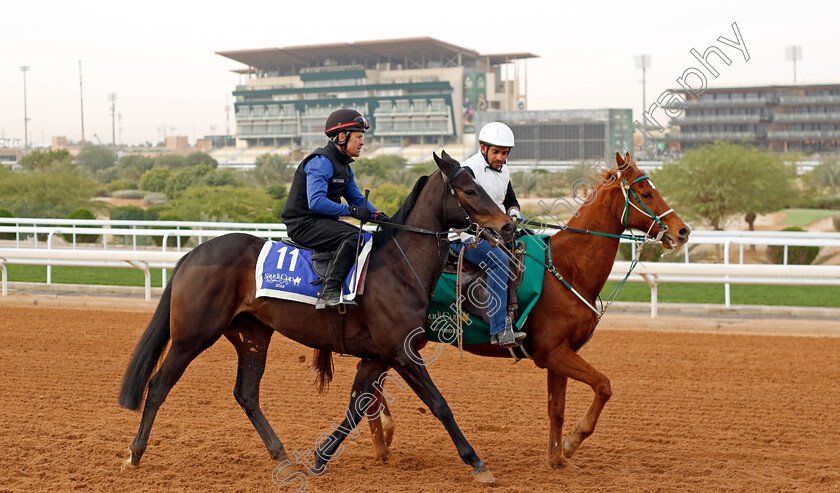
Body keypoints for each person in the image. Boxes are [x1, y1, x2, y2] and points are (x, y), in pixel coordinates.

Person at [281, 109, 388, 309]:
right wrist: (352, 212)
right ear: (341, 137)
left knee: (367, 237)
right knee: (354, 237)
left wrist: (380, 217)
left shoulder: (345, 167)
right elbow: (316, 202)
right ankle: (329, 292)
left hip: (321, 223)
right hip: (303, 224)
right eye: (358, 137)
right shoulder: (321, 161)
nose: (362, 142)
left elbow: (357, 199)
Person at [450, 122, 526, 348]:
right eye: (496, 152)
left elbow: (510, 200)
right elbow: (455, 210)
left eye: (504, 153)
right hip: (464, 236)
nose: (501, 158)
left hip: (495, 232)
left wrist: (514, 212)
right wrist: (468, 237)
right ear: (483, 148)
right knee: (500, 263)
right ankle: (499, 330)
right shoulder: (467, 171)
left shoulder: (504, 169)